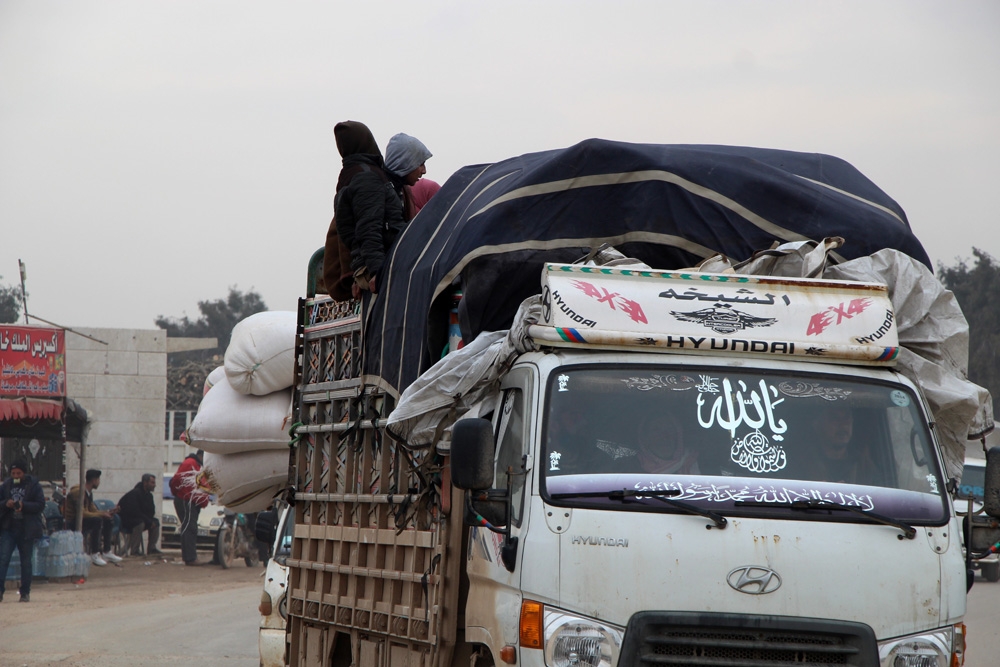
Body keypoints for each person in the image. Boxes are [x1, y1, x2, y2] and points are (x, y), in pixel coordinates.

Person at [332, 120, 406, 295]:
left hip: (370, 264)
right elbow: (369, 227)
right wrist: (377, 272)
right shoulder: (367, 177)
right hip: (385, 265)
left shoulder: (349, 175)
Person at [0, 461, 45, 602]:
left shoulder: (33, 485)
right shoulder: (6, 485)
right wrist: (6, 504)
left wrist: (24, 506)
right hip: (9, 528)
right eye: (13, 474)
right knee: (3, 560)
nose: (16, 476)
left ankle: (25, 592)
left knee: (26, 562)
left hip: (26, 529)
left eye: (18, 473)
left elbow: (40, 504)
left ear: (24, 473)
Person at [64, 469, 123, 567]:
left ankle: (106, 551)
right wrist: (101, 515)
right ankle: (94, 553)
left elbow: (93, 510)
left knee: (107, 519)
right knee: (97, 520)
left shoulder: (88, 492)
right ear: (94, 480)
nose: (99, 482)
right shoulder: (79, 492)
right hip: (74, 521)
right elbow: (82, 513)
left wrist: (108, 512)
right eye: (98, 480)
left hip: (83, 520)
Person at [806, 405, 875, 484]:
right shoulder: (802, 463)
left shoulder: (863, 465)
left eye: (847, 418)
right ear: (817, 425)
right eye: (834, 418)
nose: (843, 425)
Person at [384, 133, 441, 221]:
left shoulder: (401, 192)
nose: (424, 171)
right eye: (420, 164)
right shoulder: (381, 193)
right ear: (405, 162)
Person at [170, 450, 210, 566]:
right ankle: (190, 558)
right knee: (189, 528)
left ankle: (189, 557)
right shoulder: (190, 463)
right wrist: (180, 493)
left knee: (189, 527)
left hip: (190, 501)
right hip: (186, 500)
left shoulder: (197, 466)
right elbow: (176, 480)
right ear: (202, 456)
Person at [635, 413, 700, 475]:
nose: (664, 436)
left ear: (677, 435)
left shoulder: (694, 461)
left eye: (669, 429)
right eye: (656, 430)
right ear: (645, 438)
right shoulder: (632, 468)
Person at [117, 473, 163, 556]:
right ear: (145, 483)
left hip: (140, 519)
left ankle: (151, 549)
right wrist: (148, 521)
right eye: (152, 483)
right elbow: (135, 512)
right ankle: (135, 550)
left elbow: (151, 512)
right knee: (140, 523)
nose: (154, 485)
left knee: (155, 522)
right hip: (127, 520)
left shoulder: (149, 496)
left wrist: (150, 521)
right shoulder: (135, 493)